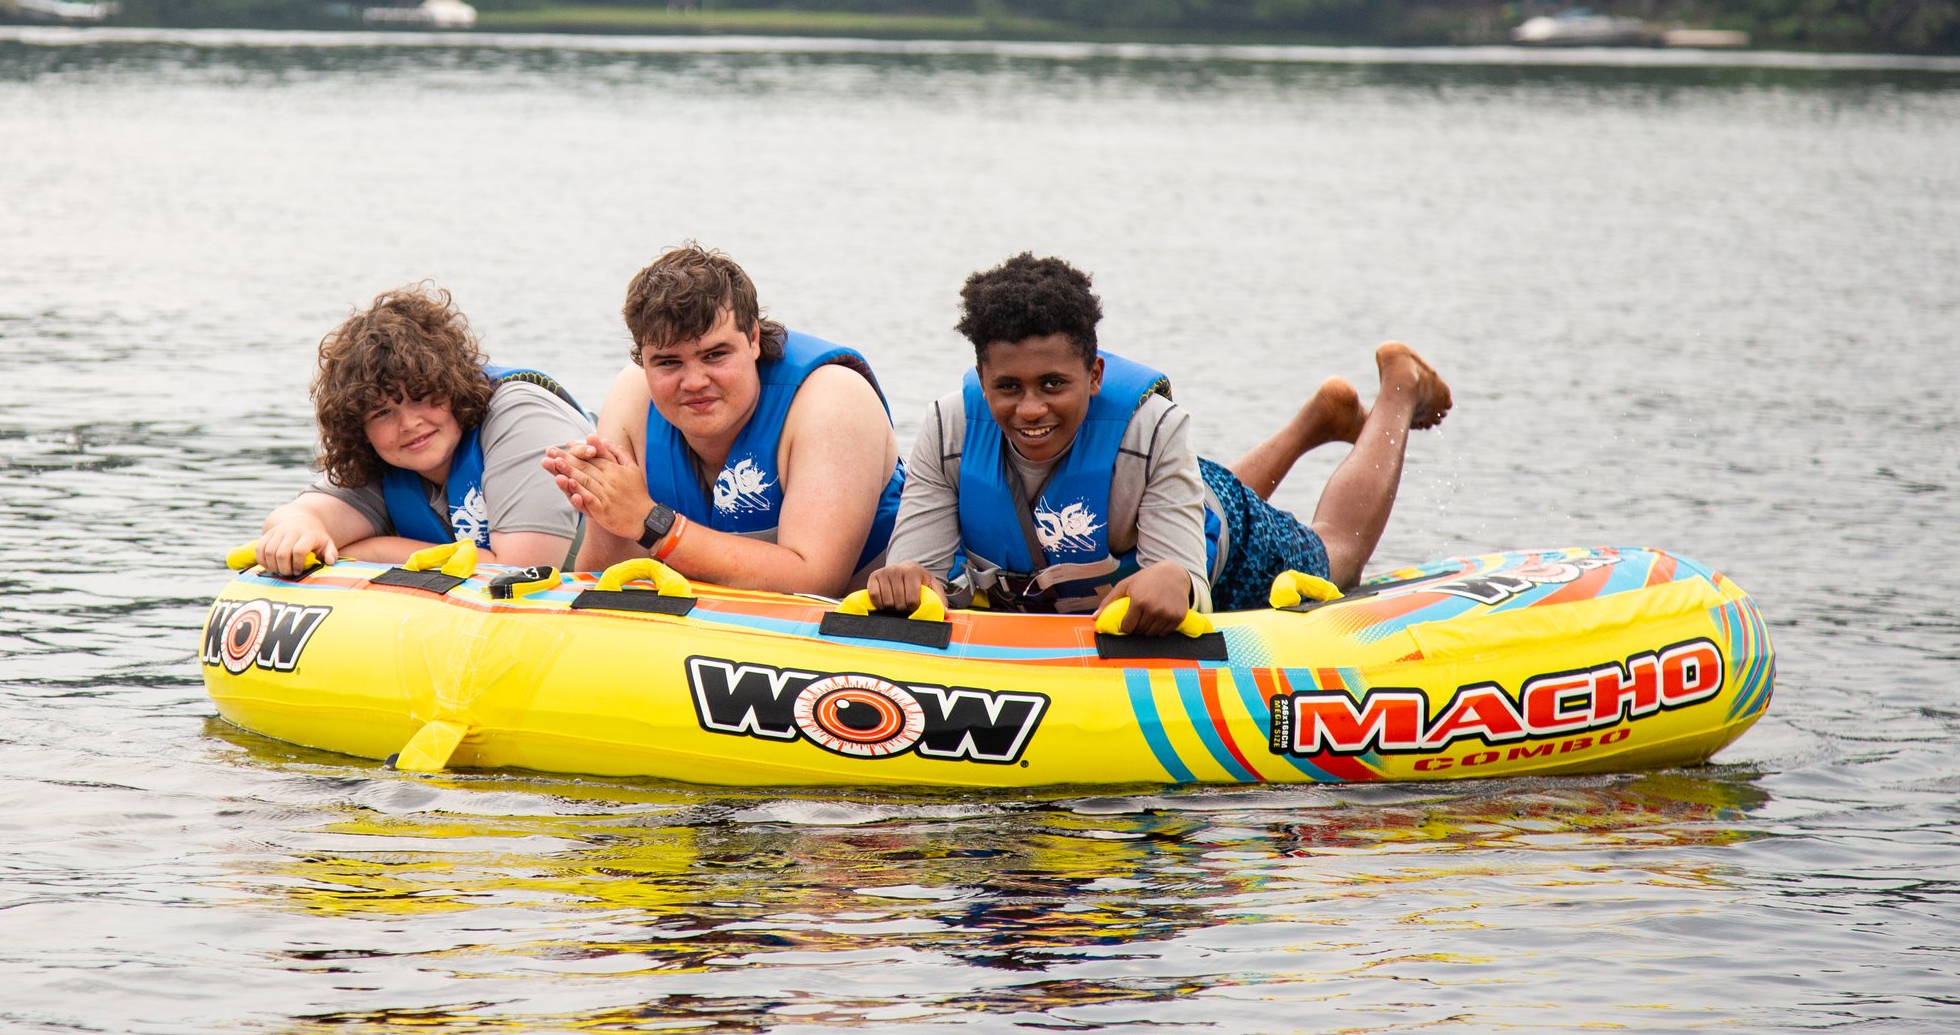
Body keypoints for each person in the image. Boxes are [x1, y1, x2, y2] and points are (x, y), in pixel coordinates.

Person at [866, 253, 1449, 633]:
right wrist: (907, 579)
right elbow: (922, 575)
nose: (1031, 409)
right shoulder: (948, 431)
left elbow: (1185, 581)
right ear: (981, 378)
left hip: (1226, 539)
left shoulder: (1153, 426)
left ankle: (1399, 388)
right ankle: (1317, 422)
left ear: (1095, 375)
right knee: (1159, 500)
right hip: (1154, 498)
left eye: (1053, 384)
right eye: (1008, 387)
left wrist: (1178, 582)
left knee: (1338, 556)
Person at [543, 243, 904, 596]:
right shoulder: (632, 397)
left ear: (753, 340)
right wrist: (604, 507)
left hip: (866, 620)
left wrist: (651, 522)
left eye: (714, 355)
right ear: (643, 360)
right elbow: (601, 578)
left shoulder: (832, 399)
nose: (694, 382)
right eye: (668, 362)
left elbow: (815, 581)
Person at [250, 286, 587, 576]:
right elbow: (297, 517)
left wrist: (374, 551)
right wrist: (299, 528)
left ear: (453, 385)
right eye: (382, 412)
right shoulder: (387, 460)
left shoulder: (524, 418)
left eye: (422, 396)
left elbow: (520, 573)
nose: (409, 424)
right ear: (359, 429)